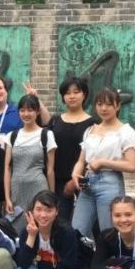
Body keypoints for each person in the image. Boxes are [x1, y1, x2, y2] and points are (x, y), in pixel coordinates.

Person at [71, 88, 135, 237]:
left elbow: (131, 165)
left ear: (118, 106)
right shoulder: (90, 130)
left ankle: (110, 261)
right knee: (76, 231)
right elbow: (81, 160)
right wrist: (75, 173)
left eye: (108, 104)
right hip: (87, 185)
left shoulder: (126, 132)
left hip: (110, 184)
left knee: (108, 234)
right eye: (100, 104)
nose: (103, 108)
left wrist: (104, 162)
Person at [14, 190, 89, 269]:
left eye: (48, 210)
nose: (43, 215)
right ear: (32, 211)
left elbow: (68, 266)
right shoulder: (27, 231)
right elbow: (23, 264)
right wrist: (31, 237)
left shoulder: (65, 231)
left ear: (56, 212)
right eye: (38, 209)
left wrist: (42, 268)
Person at [46, 78, 96, 224]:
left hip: (84, 181)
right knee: (61, 225)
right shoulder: (55, 121)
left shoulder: (93, 123)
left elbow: (92, 155)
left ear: (84, 94)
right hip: (58, 183)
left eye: (76, 92)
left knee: (88, 225)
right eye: (67, 93)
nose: (72, 96)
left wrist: (76, 182)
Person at [3, 94, 56, 222]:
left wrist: (52, 197)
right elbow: (7, 168)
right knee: (18, 228)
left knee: (40, 224)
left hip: (39, 188)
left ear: (37, 112)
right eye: (22, 110)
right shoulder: (12, 136)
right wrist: (7, 197)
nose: (26, 114)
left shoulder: (46, 135)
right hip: (17, 191)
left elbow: (50, 170)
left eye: (30, 110)